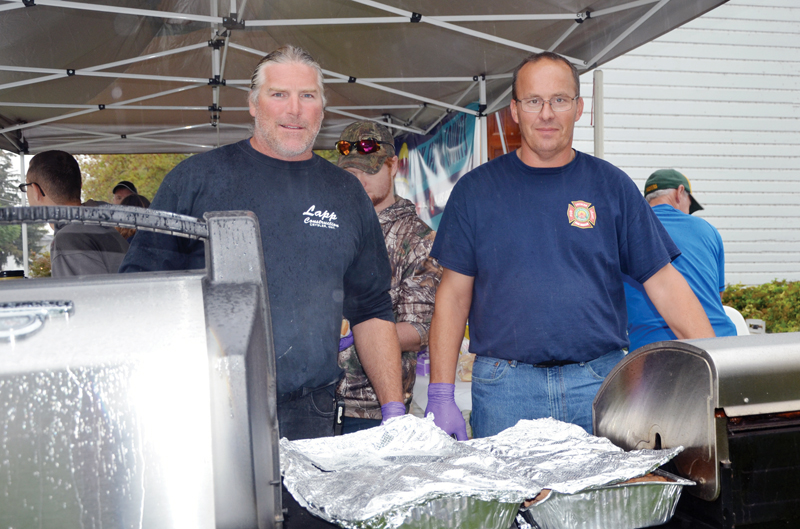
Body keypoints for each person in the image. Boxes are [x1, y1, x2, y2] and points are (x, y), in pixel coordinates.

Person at [119, 45, 404, 528]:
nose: (294, 110)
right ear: (252, 104)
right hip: (211, 416)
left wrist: (394, 412)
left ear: (323, 108)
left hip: (312, 417)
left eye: (307, 96)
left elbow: (372, 309)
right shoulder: (196, 179)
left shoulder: (345, 194)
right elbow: (142, 294)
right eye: (279, 94)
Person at [425, 51, 716, 440]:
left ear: (579, 108)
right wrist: (441, 393)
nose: (546, 114)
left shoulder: (612, 187)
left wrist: (718, 367)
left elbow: (663, 281)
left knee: (603, 503)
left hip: (598, 384)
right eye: (534, 101)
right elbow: (453, 296)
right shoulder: (475, 192)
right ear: (514, 110)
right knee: (516, 502)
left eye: (559, 100)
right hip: (505, 390)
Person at [334, 121, 442, 433]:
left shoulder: (420, 239)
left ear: (393, 166)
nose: (358, 180)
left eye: (369, 170)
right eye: (351, 172)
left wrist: (360, 335)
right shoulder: (329, 226)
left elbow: (421, 329)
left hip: (373, 409)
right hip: (315, 400)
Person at [624, 169, 737, 351]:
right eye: (690, 206)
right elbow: (717, 297)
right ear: (679, 192)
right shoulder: (707, 230)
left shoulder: (626, 232)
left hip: (648, 352)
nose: (688, 213)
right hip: (721, 344)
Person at [21, 150, 129, 277]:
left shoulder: (70, 238)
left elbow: (82, 296)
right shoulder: (102, 226)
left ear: (36, 190)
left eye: (25, 186)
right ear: (80, 185)